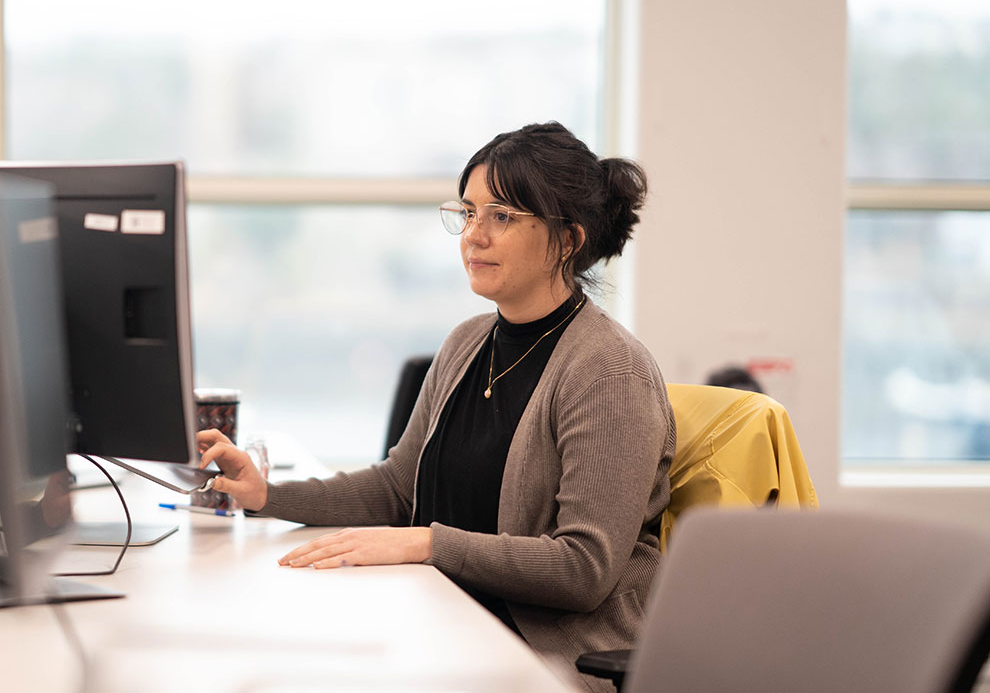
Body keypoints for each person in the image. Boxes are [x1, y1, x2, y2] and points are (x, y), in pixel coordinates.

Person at [197, 121, 674, 692]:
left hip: (546, 657)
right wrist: (268, 496)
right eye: (469, 213)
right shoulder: (468, 342)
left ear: (568, 240)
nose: (474, 236)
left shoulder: (609, 371)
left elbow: (582, 569)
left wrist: (426, 542)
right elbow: (400, 489)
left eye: (502, 217)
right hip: (445, 619)